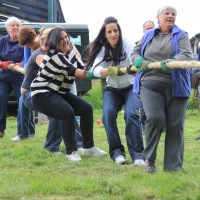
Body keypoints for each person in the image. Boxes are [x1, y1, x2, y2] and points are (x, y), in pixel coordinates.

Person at [30, 27, 107, 161]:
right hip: (42, 94)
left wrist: (98, 63)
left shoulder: (69, 53)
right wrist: (105, 71)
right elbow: (81, 74)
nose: (65, 40)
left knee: (86, 109)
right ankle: (71, 152)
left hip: (58, 92)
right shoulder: (54, 56)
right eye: (61, 38)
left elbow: (84, 68)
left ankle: (88, 148)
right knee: (67, 113)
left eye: (66, 37)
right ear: (54, 41)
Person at [132, 5, 192, 173]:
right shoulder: (148, 35)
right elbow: (135, 52)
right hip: (150, 83)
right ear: (158, 17)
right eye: (167, 13)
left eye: (173, 14)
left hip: (176, 86)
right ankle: (149, 161)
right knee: (155, 118)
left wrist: (171, 61)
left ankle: (173, 168)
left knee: (175, 125)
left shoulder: (182, 35)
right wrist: (138, 62)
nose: (170, 16)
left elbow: (186, 54)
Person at [86, 16, 144, 165]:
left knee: (131, 115)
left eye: (115, 31)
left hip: (131, 87)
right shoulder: (102, 48)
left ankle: (138, 155)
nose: (113, 34)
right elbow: (96, 70)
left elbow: (135, 61)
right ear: (105, 34)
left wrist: (133, 68)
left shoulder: (128, 44)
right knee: (107, 115)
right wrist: (112, 70)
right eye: (109, 31)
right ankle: (117, 152)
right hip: (112, 89)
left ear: (119, 31)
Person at [18, 27, 83, 152]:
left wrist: (69, 46)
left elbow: (75, 60)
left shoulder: (57, 53)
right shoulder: (40, 55)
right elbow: (60, 67)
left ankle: (79, 144)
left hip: (46, 93)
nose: (56, 41)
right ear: (44, 40)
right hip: (30, 95)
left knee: (67, 110)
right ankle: (51, 147)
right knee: (58, 112)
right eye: (56, 39)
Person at [11, 26, 39, 141]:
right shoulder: (27, 46)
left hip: (40, 80)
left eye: (28, 43)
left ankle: (24, 133)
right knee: (22, 102)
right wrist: (21, 68)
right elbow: (28, 62)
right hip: (30, 77)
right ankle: (25, 133)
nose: (27, 46)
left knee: (24, 101)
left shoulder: (40, 46)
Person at [0, 16, 24, 138]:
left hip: (19, 77)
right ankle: (0, 130)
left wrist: (21, 64)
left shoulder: (23, 41)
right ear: (7, 28)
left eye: (17, 25)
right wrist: (2, 64)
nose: (15, 27)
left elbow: (28, 58)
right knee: (1, 100)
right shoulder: (2, 41)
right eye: (12, 25)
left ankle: (24, 132)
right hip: (3, 77)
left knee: (23, 102)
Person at [139, 20, 155, 134]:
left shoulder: (160, 42)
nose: (149, 31)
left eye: (151, 28)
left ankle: (160, 127)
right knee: (144, 107)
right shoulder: (140, 44)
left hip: (160, 79)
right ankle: (145, 129)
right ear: (143, 31)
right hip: (144, 79)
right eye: (147, 29)